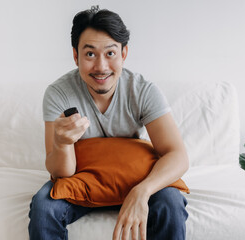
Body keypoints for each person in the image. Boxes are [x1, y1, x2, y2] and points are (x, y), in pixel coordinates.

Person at [29, 6, 189, 240]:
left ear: (124, 54)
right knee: (44, 207)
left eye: (110, 53)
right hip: (81, 178)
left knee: (171, 202)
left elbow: (177, 154)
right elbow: (59, 172)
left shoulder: (143, 91)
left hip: (135, 178)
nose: (101, 67)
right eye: (90, 54)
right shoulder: (59, 94)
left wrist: (141, 192)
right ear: (76, 56)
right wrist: (62, 144)